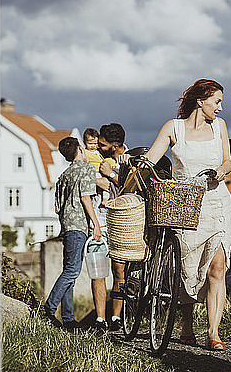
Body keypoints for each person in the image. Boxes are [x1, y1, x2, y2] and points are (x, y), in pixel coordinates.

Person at [142, 78, 231, 350]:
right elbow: (152, 158)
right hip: (186, 206)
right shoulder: (174, 128)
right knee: (187, 268)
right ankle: (186, 323)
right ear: (200, 100)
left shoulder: (220, 127)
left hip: (217, 202)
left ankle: (214, 332)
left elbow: (228, 159)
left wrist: (222, 170)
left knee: (218, 266)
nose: (220, 107)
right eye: (216, 101)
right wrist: (134, 162)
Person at [44, 137, 102, 330]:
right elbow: (86, 198)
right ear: (79, 149)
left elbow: (57, 208)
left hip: (66, 227)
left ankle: (68, 319)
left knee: (69, 272)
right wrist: (96, 224)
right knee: (72, 271)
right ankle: (49, 309)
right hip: (79, 227)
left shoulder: (63, 176)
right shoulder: (86, 169)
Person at [95, 123, 129, 331]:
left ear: (115, 146)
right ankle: (100, 319)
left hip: (120, 223)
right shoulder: (94, 158)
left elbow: (131, 188)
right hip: (98, 221)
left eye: (103, 145)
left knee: (119, 271)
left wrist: (109, 175)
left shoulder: (130, 160)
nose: (99, 147)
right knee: (98, 271)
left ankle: (116, 317)